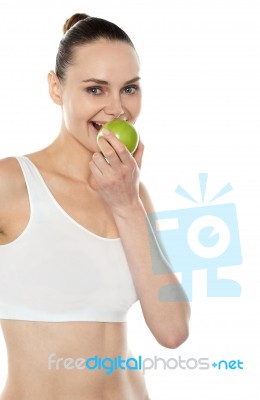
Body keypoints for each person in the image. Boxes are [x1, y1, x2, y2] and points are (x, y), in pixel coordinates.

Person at [0, 13, 190, 400]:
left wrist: (126, 204)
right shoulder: (12, 184)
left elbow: (172, 331)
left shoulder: (133, 195)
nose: (118, 110)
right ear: (56, 87)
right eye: (96, 90)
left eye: (130, 89)